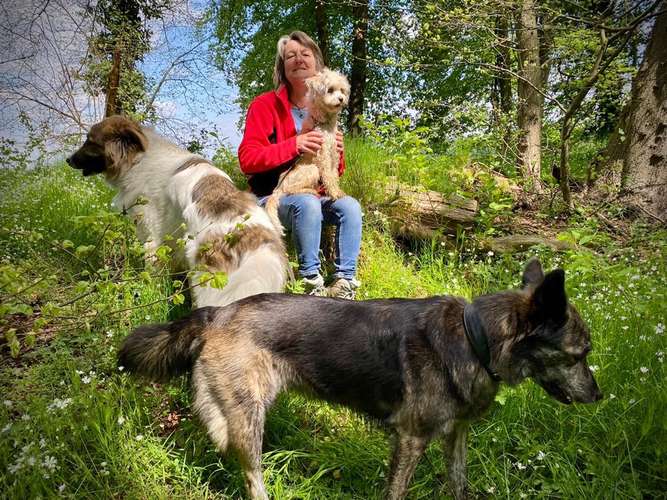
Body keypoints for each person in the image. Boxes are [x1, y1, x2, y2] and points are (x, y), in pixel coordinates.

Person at [238, 31, 363, 299]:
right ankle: (311, 283)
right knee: (307, 205)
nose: (298, 59)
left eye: (305, 54)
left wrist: (338, 154)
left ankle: (344, 282)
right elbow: (248, 160)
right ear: (282, 67)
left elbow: (330, 170)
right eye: (290, 56)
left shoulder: (329, 112)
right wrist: (295, 144)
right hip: (273, 195)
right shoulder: (264, 105)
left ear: (317, 65)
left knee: (350, 206)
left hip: (313, 194)